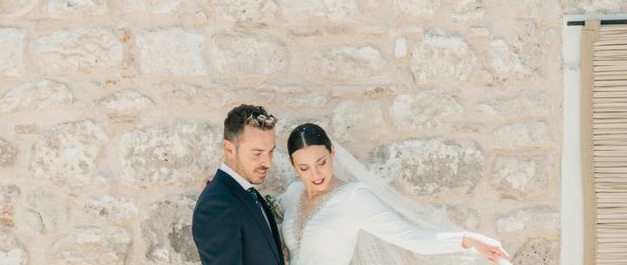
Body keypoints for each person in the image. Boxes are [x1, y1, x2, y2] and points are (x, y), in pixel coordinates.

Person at [278, 123, 511, 265]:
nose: (316, 174)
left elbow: (411, 237)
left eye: (321, 162)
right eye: (304, 168)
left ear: (333, 153)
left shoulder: (353, 199)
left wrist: (467, 239)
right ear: (292, 165)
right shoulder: (293, 194)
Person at [191, 104, 284, 265]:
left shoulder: (246, 191)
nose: (267, 162)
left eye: (271, 151)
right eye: (257, 153)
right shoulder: (216, 205)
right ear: (229, 149)